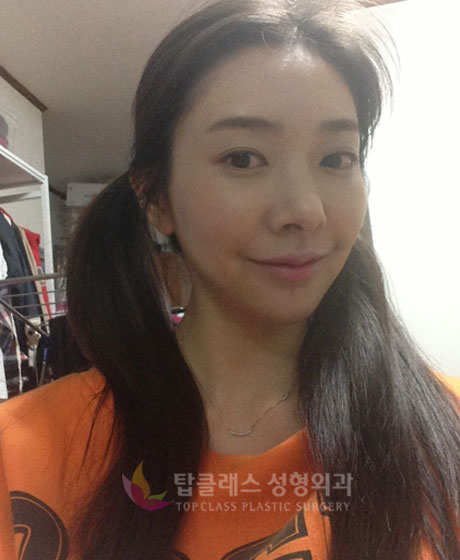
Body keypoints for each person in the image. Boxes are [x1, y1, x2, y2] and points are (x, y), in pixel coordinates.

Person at [1, 0, 459, 558]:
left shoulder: (445, 432)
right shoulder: (19, 453)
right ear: (157, 199)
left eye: (337, 158)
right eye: (243, 158)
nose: (305, 210)